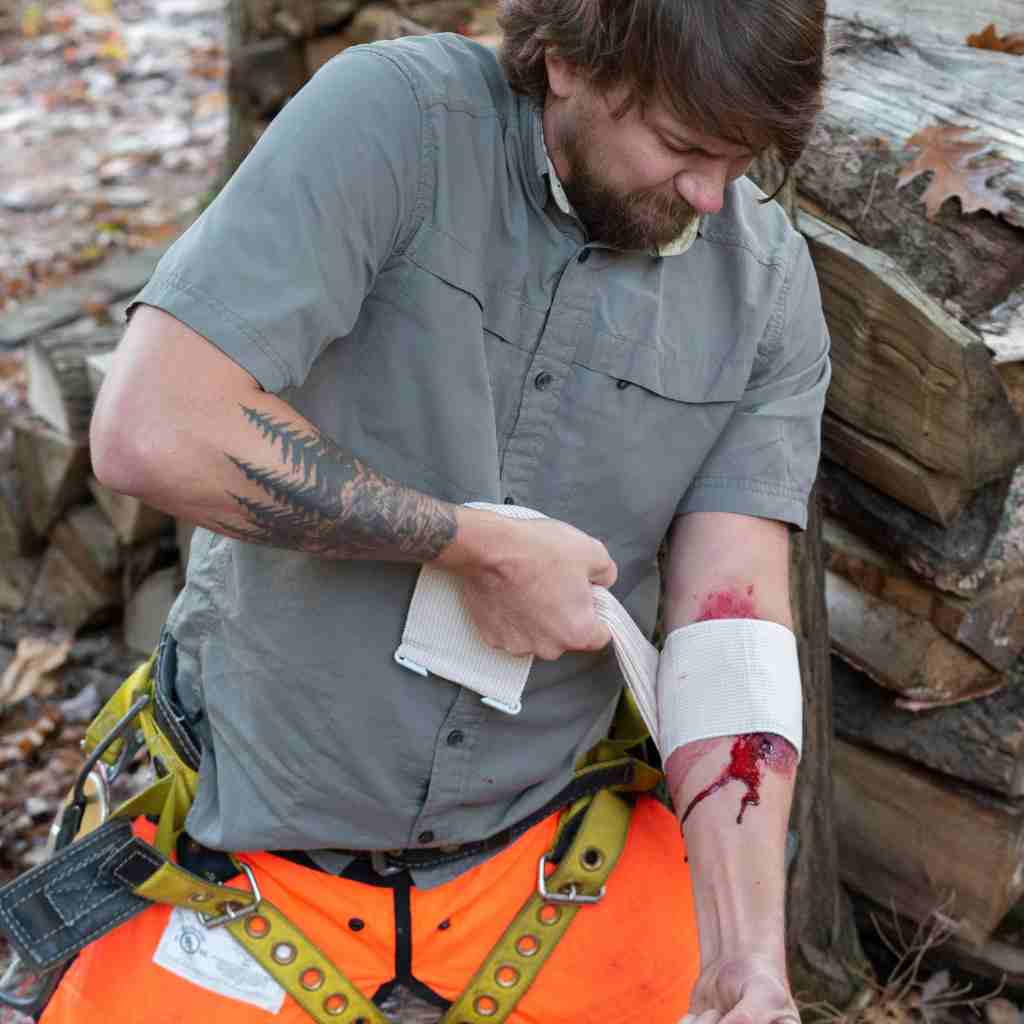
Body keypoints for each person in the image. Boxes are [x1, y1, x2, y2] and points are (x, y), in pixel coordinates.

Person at [38, 0, 830, 1020]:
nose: (712, 196)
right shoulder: (394, 123)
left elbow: (735, 635)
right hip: (246, 852)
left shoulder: (765, 288)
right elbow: (152, 427)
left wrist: (744, 957)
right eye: (681, 144)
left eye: (742, 159)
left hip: (546, 859)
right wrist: (464, 545)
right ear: (567, 62)